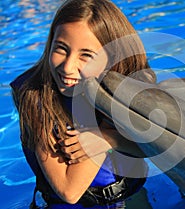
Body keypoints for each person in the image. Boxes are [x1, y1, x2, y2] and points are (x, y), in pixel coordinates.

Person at [10, 0, 156, 208]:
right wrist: (100, 131)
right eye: (61, 48)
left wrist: (108, 138)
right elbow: (69, 191)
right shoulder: (37, 98)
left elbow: (156, 149)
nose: (68, 67)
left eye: (86, 56)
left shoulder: (123, 89)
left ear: (113, 58)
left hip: (130, 197)